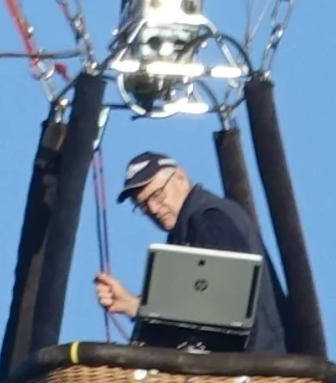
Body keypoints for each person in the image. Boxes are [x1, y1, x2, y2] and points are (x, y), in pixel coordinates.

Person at [93, 149, 287, 354]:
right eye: (143, 205)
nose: (154, 209)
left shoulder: (210, 219)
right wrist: (133, 306)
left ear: (181, 179)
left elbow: (219, 305)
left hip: (253, 369)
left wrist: (139, 309)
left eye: (157, 195)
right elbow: (193, 307)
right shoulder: (185, 232)